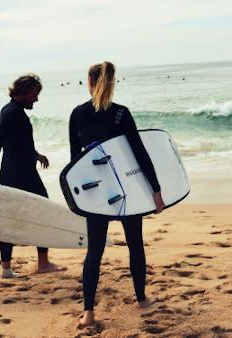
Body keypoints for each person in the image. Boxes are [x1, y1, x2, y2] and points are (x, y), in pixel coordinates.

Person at [68, 61, 165, 326]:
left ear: (89, 82)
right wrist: (156, 190)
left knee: (95, 250)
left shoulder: (77, 114)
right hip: (126, 190)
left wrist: (77, 199)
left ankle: (88, 312)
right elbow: (138, 154)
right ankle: (142, 299)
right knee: (134, 243)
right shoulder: (121, 114)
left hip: (97, 192)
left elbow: (75, 162)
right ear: (111, 83)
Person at [0, 73, 66, 278]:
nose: (36, 99)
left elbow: (17, 142)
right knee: (42, 211)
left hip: (18, 172)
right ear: (24, 92)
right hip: (21, 175)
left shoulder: (12, 111)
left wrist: (36, 155)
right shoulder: (12, 113)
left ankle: (7, 268)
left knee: (10, 217)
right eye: (35, 94)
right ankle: (42, 263)